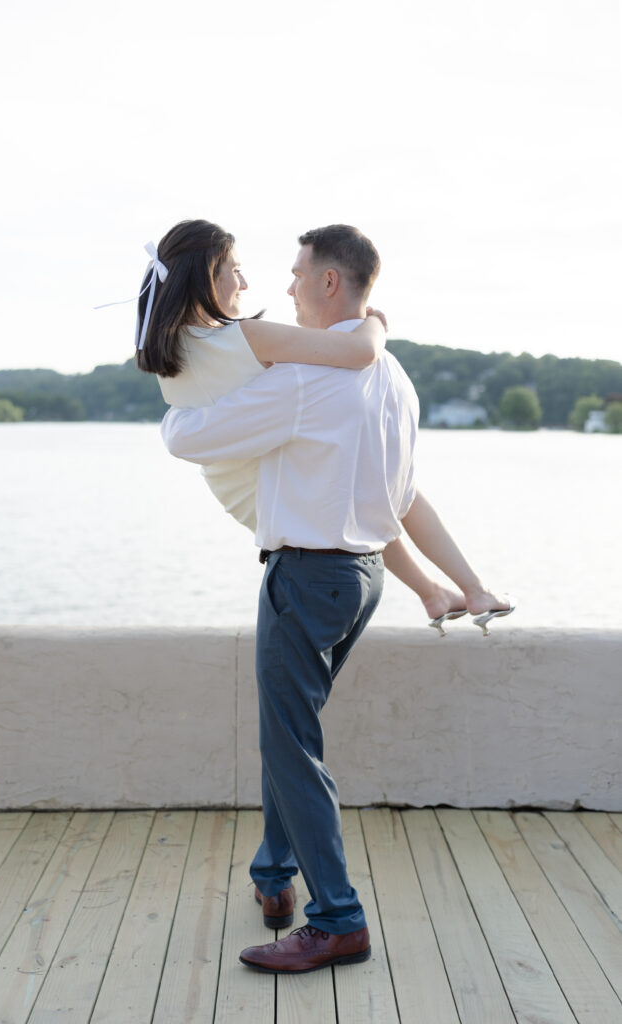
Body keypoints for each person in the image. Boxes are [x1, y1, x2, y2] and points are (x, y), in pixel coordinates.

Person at [159, 223, 511, 974]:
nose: (282, 288)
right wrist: (458, 582)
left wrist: (178, 404)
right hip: (363, 581)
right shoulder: (395, 379)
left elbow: (185, 440)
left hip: (307, 579)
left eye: (294, 274)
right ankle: (273, 876)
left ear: (328, 283)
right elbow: (404, 496)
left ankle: (338, 921)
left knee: (291, 749)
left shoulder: (299, 381)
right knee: (292, 736)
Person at [134, 219, 512, 636]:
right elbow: (359, 350)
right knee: (381, 486)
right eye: (235, 270)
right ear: (208, 278)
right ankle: (457, 588)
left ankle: (433, 591)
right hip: (270, 477)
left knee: (376, 484)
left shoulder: (171, 345)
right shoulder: (247, 336)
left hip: (238, 476)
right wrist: (375, 322)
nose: (244, 283)